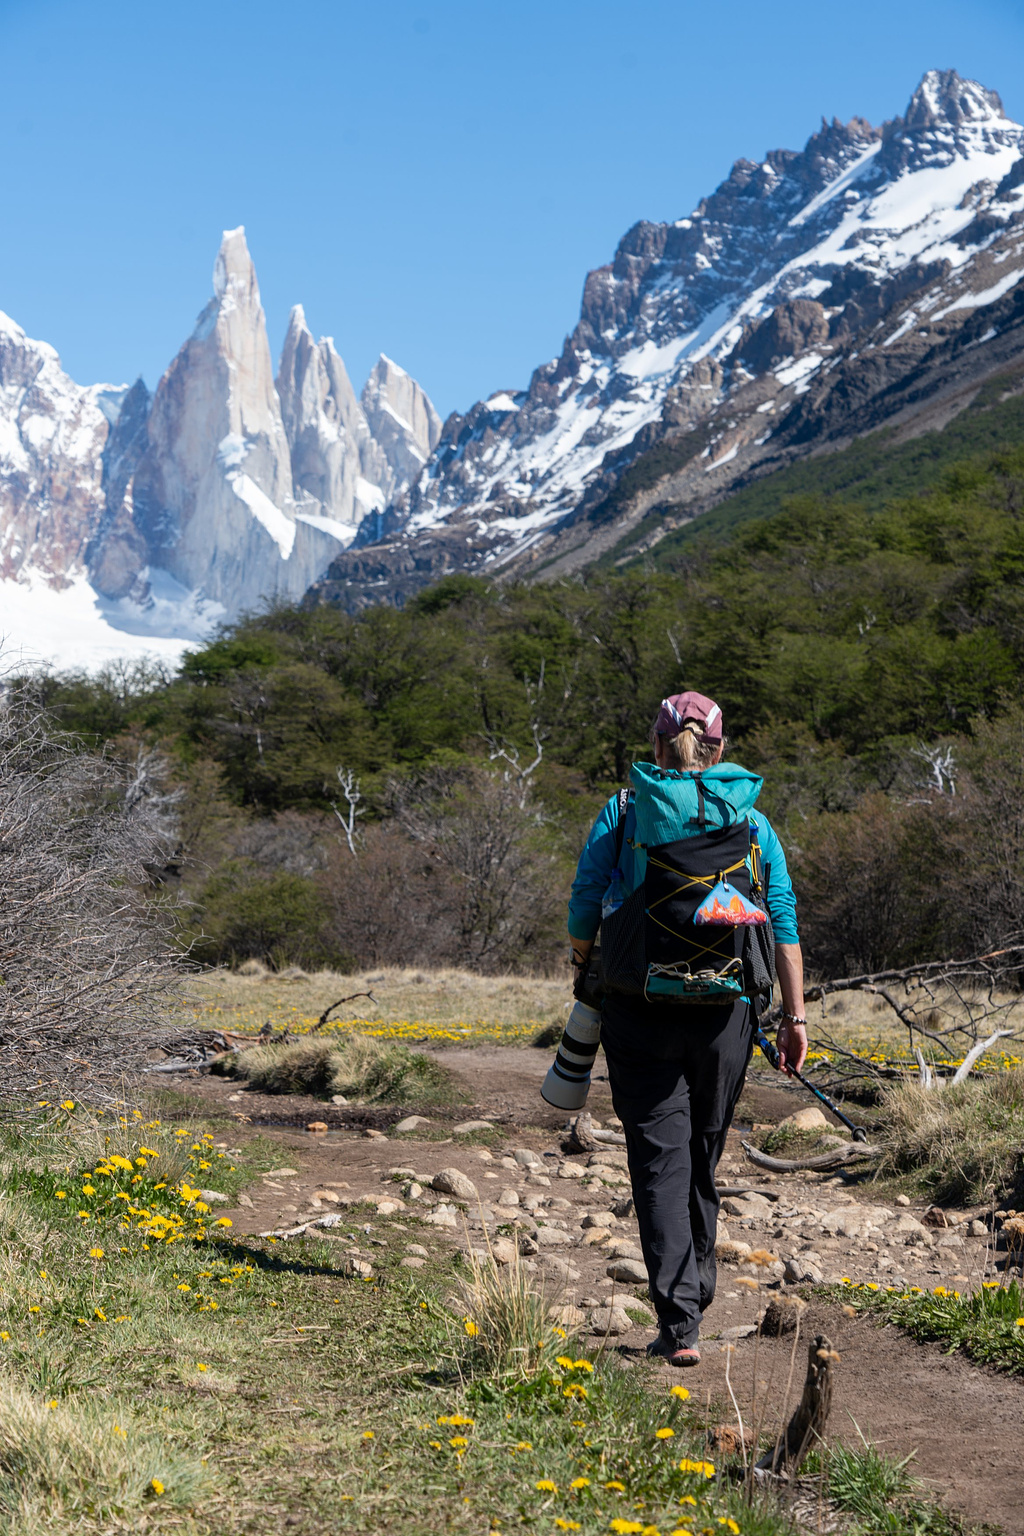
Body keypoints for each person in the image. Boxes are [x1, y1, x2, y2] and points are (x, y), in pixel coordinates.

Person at [567, 690, 806, 1367]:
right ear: (721, 749)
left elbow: (584, 904)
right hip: (726, 1013)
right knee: (702, 1152)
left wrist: (584, 966)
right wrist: (794, 1016)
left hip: (636, 1006)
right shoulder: (754, 823)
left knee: (658, 1159)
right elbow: (782, 922)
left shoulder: (622, 812)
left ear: (655, 747)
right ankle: (693, 1293)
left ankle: (680, 1321)